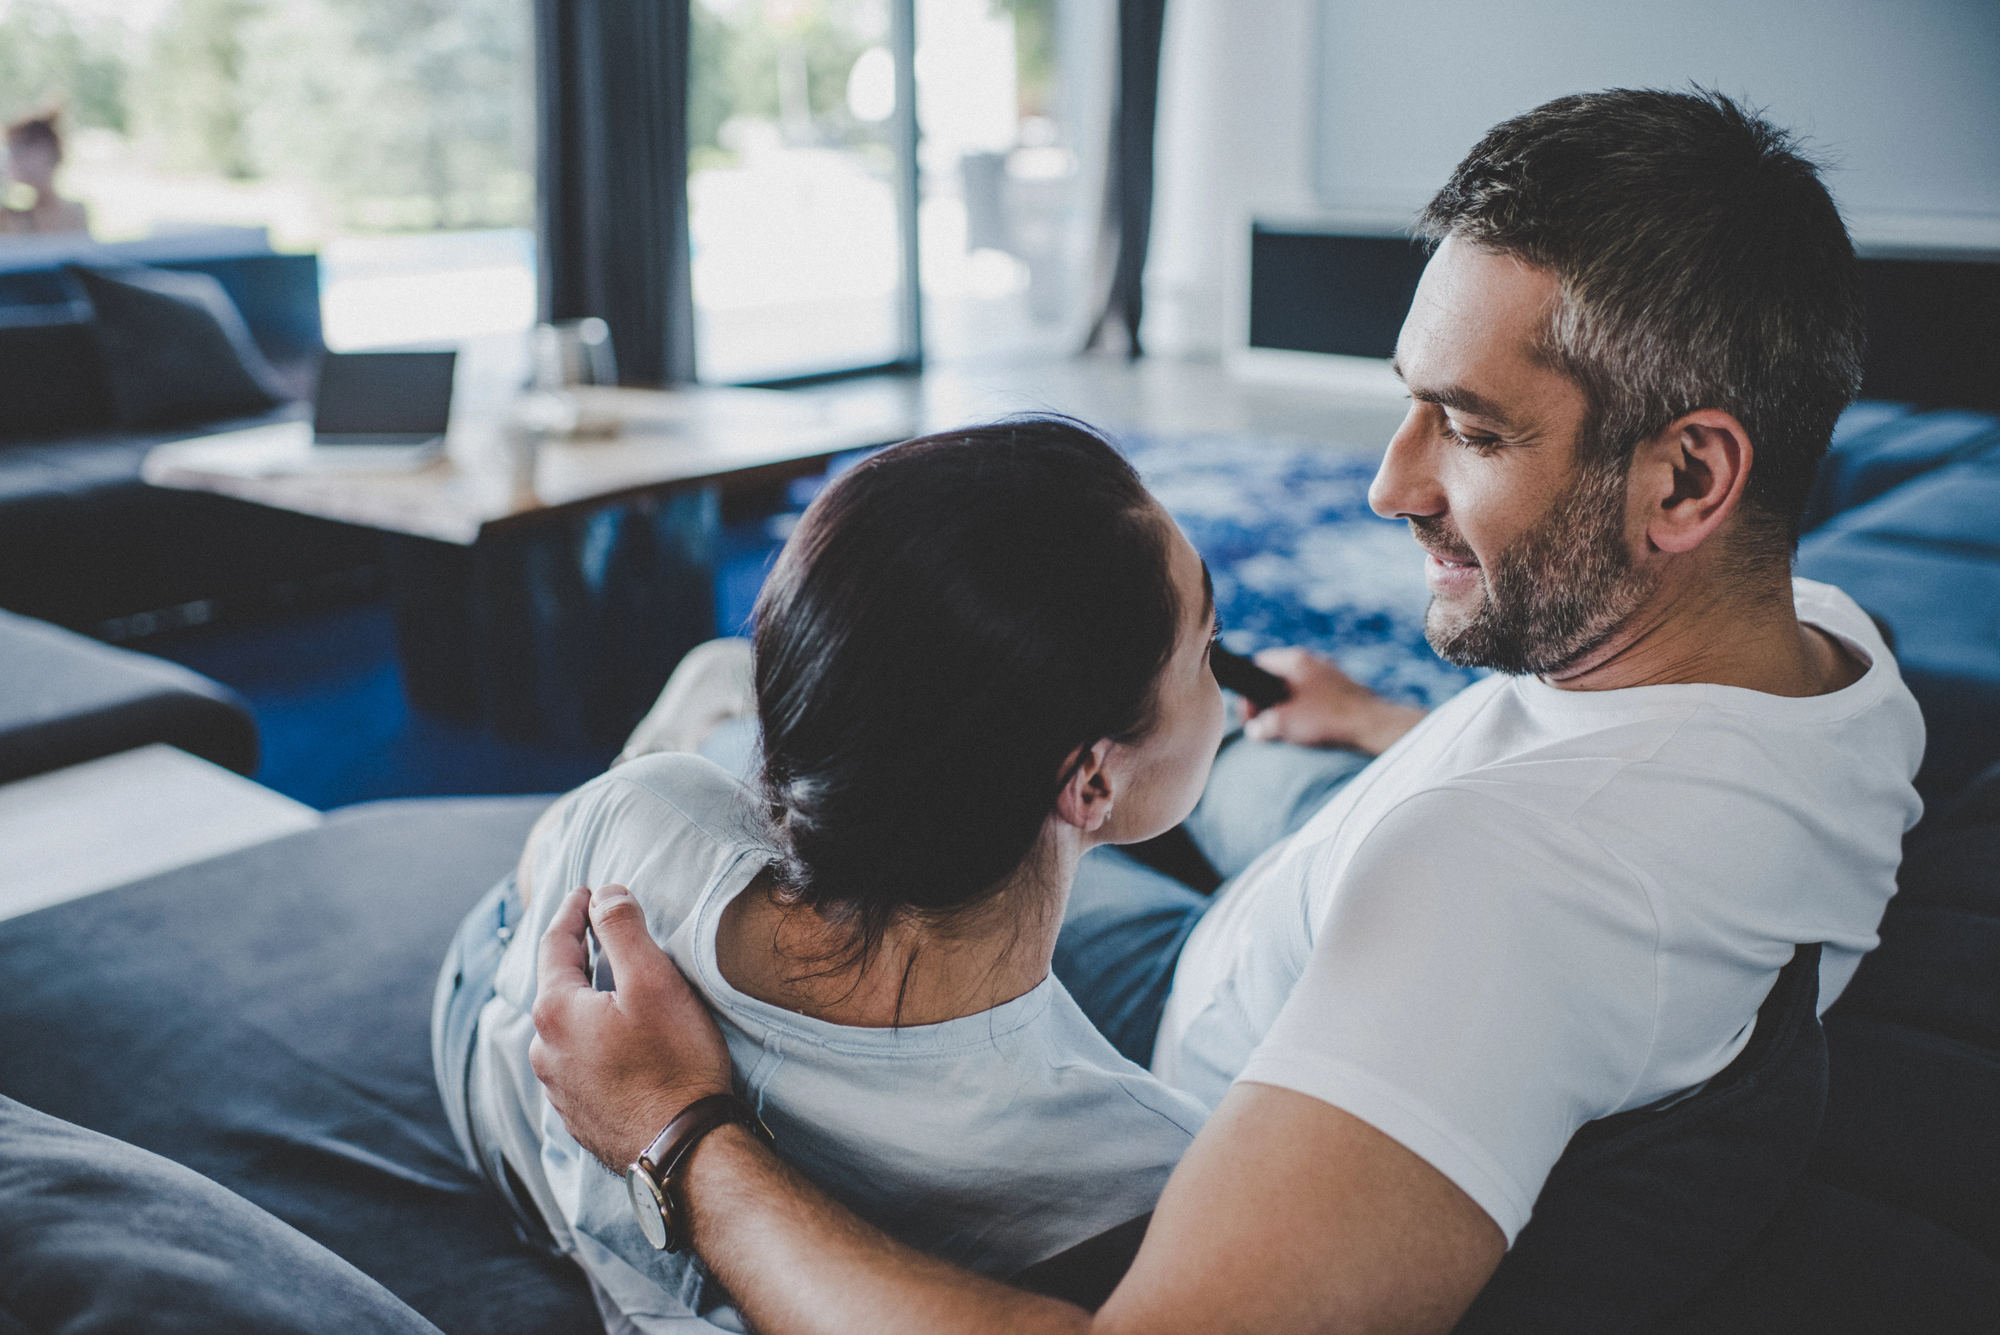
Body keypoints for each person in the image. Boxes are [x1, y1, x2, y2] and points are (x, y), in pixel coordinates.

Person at [527, 87, 1926, 1333]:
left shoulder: (1500, 898)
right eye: (1407, 404)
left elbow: (1523, 891)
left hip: (1184, 1036)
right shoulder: (1834, 649)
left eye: (1473, 428)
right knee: (1205, 717)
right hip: (1323, 868)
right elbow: (1584, 798)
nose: (1391, 483)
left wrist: (681, 1135)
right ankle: (746, 714)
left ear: (1688, 482)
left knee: (849, 741)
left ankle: (727, 720)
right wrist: (1389, 728)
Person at [432, 421, 1233, 1331]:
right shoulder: (1141, 1154)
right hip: (519, 1052)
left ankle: (719, 708)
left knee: (613, 802)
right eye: (1207, 649)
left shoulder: (649, 815)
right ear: (1090, 779)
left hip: (486, 1047)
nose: (1228, 687)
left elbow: (556, 975)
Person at [1, 111, 89, 237]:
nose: (16, 160)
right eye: (14, 152)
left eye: (22, 151)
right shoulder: (9, 219)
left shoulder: (76, 214)